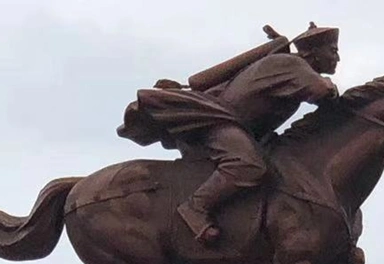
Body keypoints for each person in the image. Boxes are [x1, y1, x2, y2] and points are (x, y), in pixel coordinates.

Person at [118, 24, 341, 243]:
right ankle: (195, 207)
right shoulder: (293, 65)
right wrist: (330, 84)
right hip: (219, 124)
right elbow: (321, 92)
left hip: (242, 129)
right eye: (332, 50)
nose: (337, 58)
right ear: (312, 53)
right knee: (247, 165)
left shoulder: (290, 65)